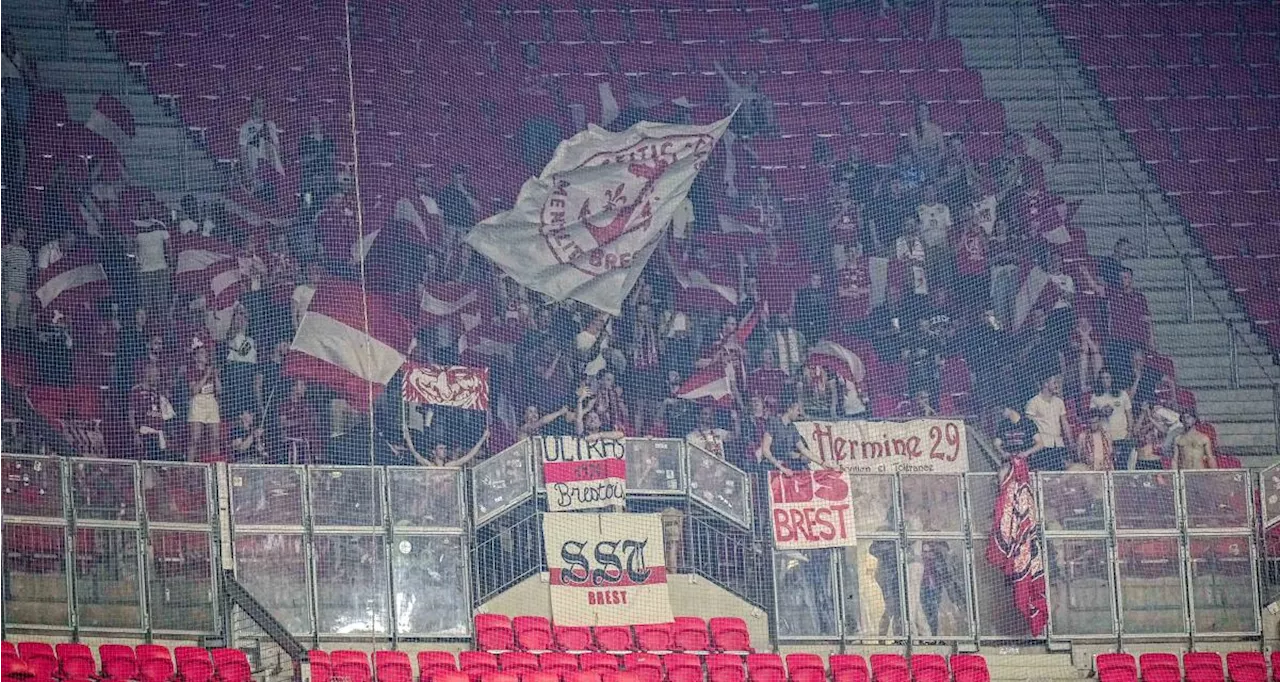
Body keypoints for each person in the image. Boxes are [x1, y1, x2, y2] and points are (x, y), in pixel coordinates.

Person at [756, 395, 821, 474]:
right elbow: (766, 450)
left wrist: (822, 463)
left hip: (785, 467)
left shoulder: (792, 428)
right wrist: (781, 468)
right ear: (790, 410)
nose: (799, 413)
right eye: (797, 410)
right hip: (770, 467)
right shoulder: (774, 423)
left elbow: (803, 449)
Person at [1088, 368, 1135, 470]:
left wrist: (1130, 432)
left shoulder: (1122, 394)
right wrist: (1102, 412)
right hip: (1105, 437)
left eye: (1107, 377)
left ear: (1112, 378)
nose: (1105, 380)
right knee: (1108, 464)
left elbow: (1129, 415)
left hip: (1122, 435)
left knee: (1122, 465)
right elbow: (1092, 416)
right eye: (1102, 378)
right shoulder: (1095, 397)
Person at [1022, 374, 1071, 470]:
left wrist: (1070, 443)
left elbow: (1064, 423)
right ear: (1045, 384)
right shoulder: (1033, 402)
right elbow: (1027, 426)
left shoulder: (1059, 402)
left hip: (1058, 444)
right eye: (1054, 383)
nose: (1057, 386)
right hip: (1042, 446)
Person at [237, 95, 283, 193]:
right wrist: (246, 171)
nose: (260, 107)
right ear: (252, 106)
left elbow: (277, 146)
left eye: (262, 104)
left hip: (268, 158)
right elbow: (242, 151)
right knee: (251, 149)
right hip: (253, 159)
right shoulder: (246, 126)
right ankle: (253, 183)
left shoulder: (270, 124)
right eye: (257, 104)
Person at [129, 362, 175, 460]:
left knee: (161, 463)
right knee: (147, 462)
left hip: (159, 432)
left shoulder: (159, 391)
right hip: (145, 432)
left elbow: (166, 414)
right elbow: (131, 413)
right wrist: (135, 433)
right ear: (147, 372)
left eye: (158, 374)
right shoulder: (137, 390)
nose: (157, 376)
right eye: (155, 374)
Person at [186, 344, 222, 461]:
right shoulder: (191, 370)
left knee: (215, 439)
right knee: (194, 439)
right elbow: (194, 390)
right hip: (197, 401)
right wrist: (206, 375)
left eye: (205, 353)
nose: (205, 355)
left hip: (211, 401)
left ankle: (215, 464)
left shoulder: (211, 370)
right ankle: (190, 466)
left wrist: (215, 375)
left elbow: (219, 391)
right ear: (195, 357)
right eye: (201, 353)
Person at [134, 216, 171, 318]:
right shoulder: (134, 225)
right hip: (144, 271)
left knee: (162, 301)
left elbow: (169, 245)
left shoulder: (160, 225)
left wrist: (170, 262)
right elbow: (132, 246)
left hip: (161, 269)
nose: (145, 209)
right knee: (146, 302)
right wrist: (136, 262)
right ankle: (146, 328)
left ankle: (163, 326)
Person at [0, 226, 30, 341]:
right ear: (14, 233)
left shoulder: (25, 252)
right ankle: (8, 346)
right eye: (21, 231)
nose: (24, 234)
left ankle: (20, 347)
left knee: (23, 322)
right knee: (11, 320)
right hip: (10, 290)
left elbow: (27, 272)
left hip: (23, 291)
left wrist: (27, 291)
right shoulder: (4, 250)